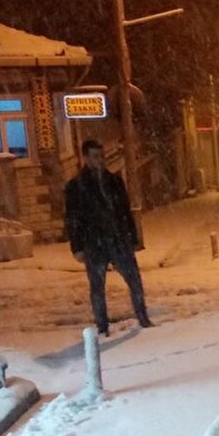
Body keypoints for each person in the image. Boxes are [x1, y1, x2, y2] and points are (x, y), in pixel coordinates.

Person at [65, 139, 153, 336]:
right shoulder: (76, 186)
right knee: (97, 286)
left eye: (102, 156)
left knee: (134, 279)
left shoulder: (114, 181)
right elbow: (72, 219)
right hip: (94, 242)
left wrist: (132, 237)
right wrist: (77, 247)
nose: (100, 161)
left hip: (117, 239)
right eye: (95, 156)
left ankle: (143, 317)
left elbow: (124, 211)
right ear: (86, 158)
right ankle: (102, 325)